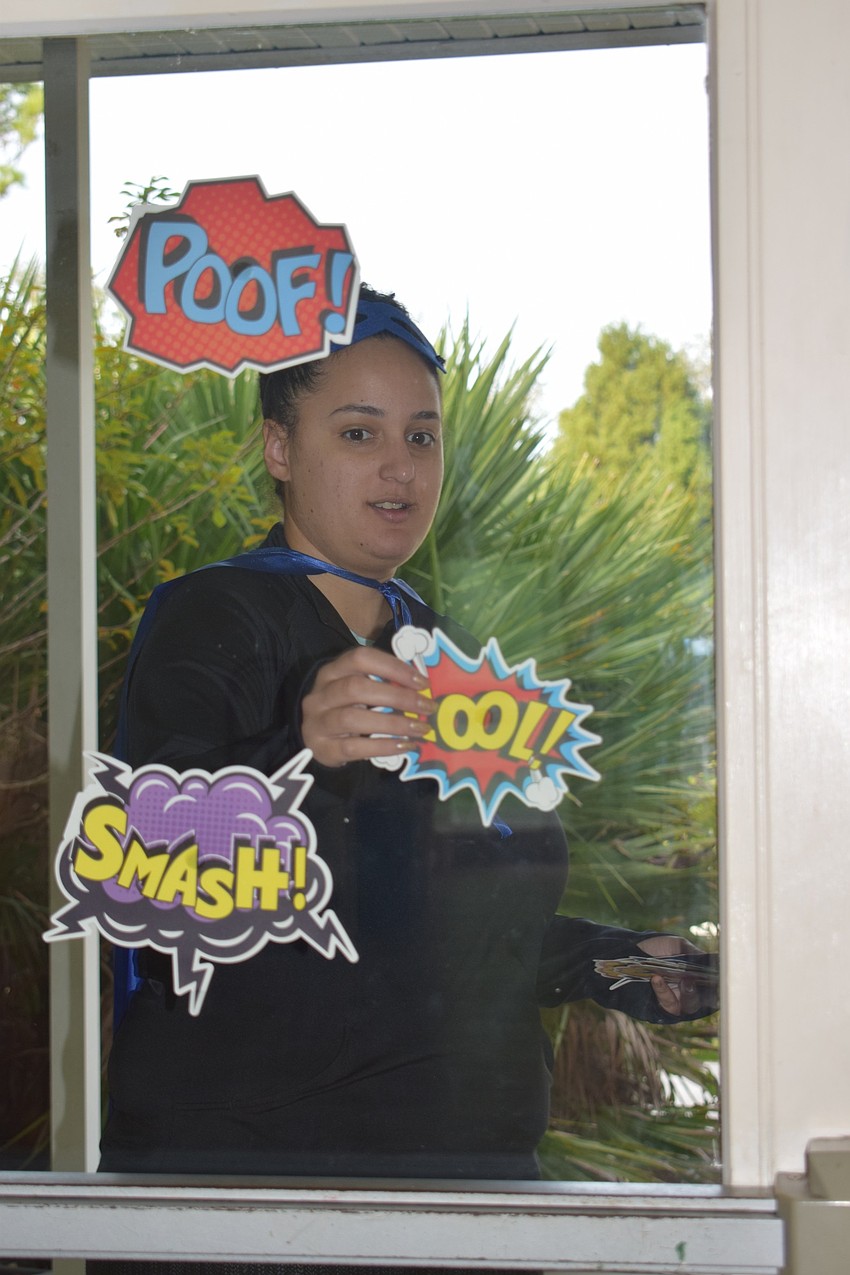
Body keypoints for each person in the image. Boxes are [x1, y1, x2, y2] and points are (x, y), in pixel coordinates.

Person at [100, 285, 712, 1182]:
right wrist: (295, 753)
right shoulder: (214, 619)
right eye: (360, 432)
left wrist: (609, 962)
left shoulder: (451, 657)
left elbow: (447, 928)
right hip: (258, 1193)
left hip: (471, 1183)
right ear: (279, 446)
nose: (401, 466)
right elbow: (146, 888)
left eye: (421, 435)